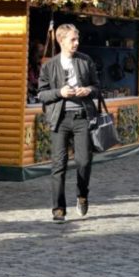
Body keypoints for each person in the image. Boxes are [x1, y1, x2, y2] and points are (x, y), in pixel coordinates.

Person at [36, 24, 100, 223]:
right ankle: (58, 208)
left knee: (84, 161)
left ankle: (82, 195)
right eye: (73, 39)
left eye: (77, 39)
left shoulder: (85, 61)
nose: (76, 43)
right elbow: (41, 94)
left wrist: (88, 90)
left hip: (82, 117)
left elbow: (98, 87)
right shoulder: (49, 65)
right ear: (61, 40)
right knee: (58, 165)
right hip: (60, 119)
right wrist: (60, 93)